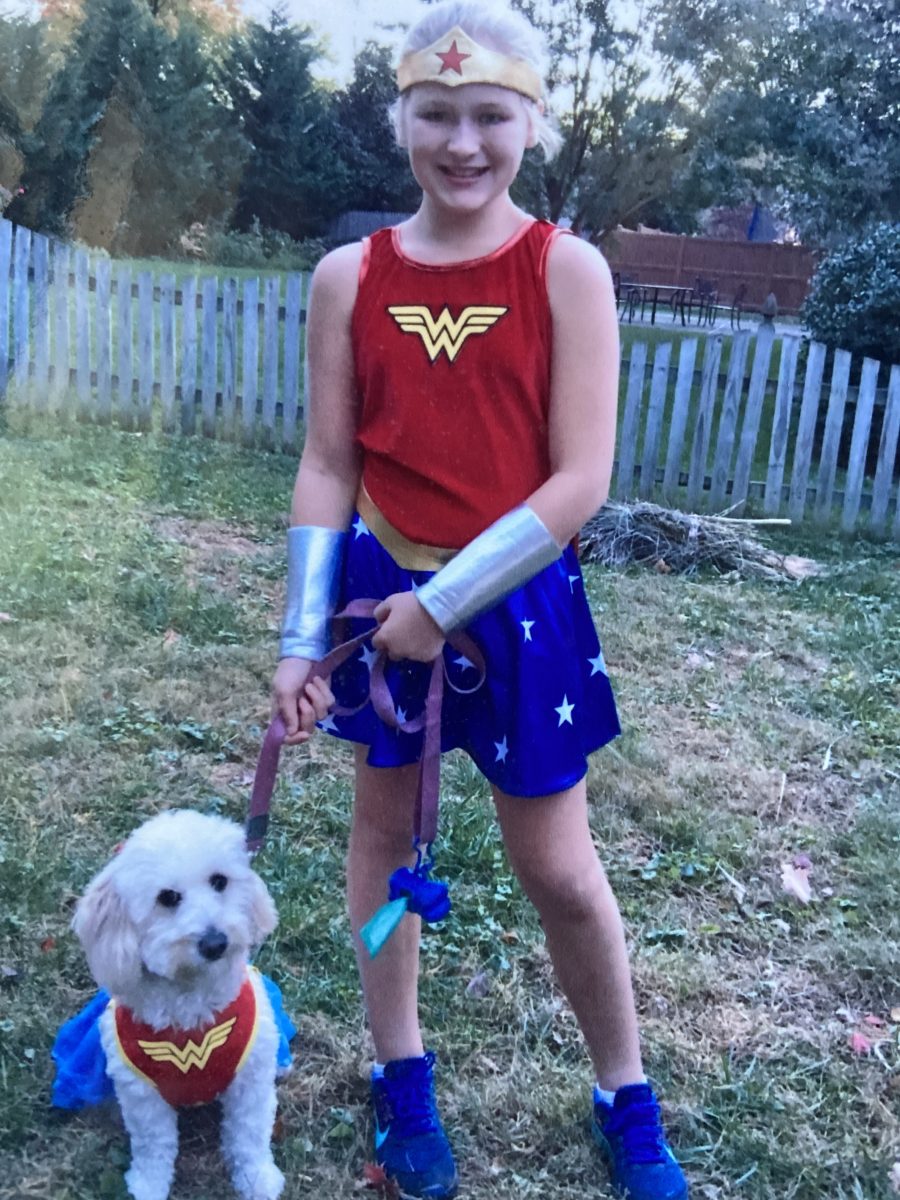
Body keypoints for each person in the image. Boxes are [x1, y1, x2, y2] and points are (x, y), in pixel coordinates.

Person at [272, 3, 689, 1198]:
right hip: (380, 597)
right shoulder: (349, 276)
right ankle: (400, 1073)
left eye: (490, 116)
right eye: (437, 114)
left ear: (532, 121)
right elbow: (326, 460)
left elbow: (583, 479)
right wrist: (306, 637)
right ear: (398, 115)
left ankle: (627, 1093)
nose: (463, 143)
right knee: (382, 838)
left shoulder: (567, 269)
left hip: (512, 605)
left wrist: (445, 603)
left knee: (560, 872)